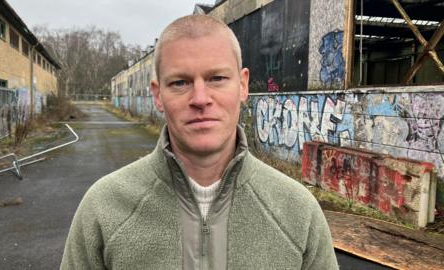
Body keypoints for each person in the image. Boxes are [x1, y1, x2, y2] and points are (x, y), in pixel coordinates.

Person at [60, 14, 338, 270]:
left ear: (243, 86)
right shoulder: (104, 208)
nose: (200, 98)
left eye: (216, 78)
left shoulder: (298, 211)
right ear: (158, 95)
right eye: (180, 83)